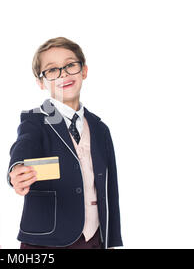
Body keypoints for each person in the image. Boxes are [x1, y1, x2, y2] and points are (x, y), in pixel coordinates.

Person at [8, 37, 122, 249]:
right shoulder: (35, 120)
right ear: (41, 82)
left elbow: (109, 186)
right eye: (52, 70)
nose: (64, 74)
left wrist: (110, 238)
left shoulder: (100, 128)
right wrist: (17, 168)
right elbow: (23, 145)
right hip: (47, 241)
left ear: (84, 71)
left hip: (94, 238)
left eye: (70, 65)